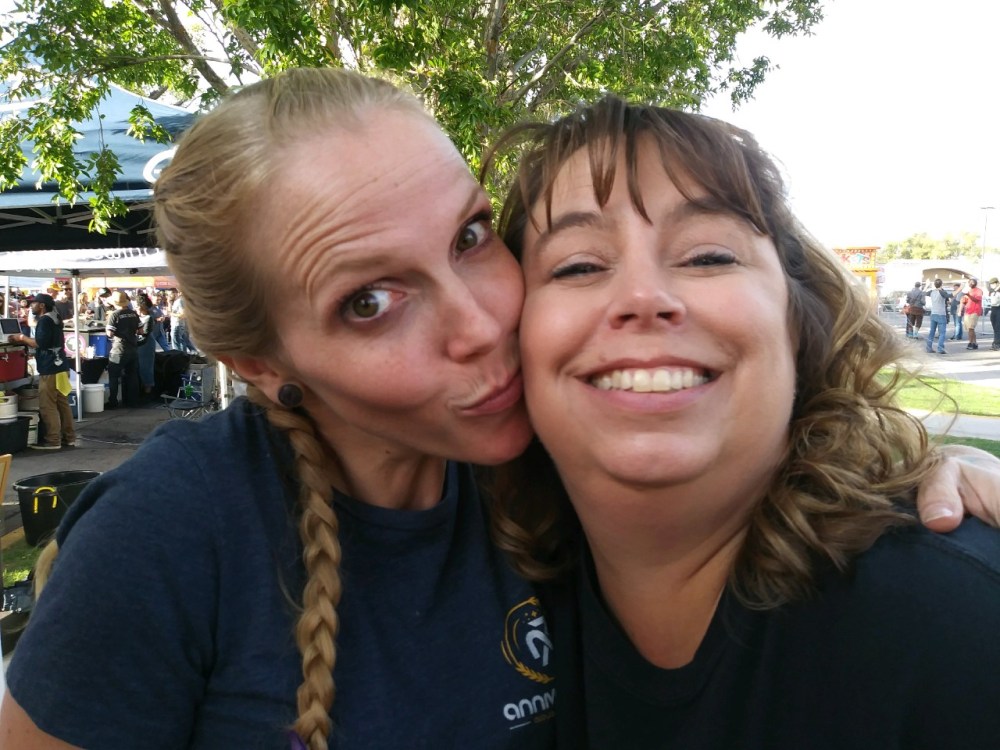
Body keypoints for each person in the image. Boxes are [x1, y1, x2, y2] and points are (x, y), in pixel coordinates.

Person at [2, 70, 999, 750]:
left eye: (472, 236)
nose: (483, 323)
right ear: (261, 364)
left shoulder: (545, 480)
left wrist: (910, 474)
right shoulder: (174, 532)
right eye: (369, 302)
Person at [487, 96, 1000, 749]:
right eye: (578, 265)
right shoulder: (480, 589)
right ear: (513, 339)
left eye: (708, 257)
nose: (643, 297)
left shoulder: (955, 624)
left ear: (799, 322)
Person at [8, 293, 76, 450]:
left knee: (47, 405)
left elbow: (39, 343)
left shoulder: (45, 320)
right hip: (61, 366)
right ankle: (69, 437)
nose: (31, 306)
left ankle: (53, 440)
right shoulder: (56, 317)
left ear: (42, 305)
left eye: (34, 303)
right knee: (62, 403)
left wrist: (21, 338)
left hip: (50, 367)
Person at [105, 290, 141, 408]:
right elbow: (141, 331)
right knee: (132, 375)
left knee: (114, 376)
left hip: (119, 349)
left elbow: (110, 333)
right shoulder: (133, 313)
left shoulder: (114, 314)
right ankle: (133, 401)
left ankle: (113, 402)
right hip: (133, 348)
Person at [135, 293, 156, 395]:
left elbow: (145, 334)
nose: (135, 308)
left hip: (146, 344)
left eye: (137, 306)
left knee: (146, 367)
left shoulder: (149, 318)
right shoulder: (138, 317)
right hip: (140, 343)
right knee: (140, 367)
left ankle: (148, 389)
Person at [924, 278, 949, 354]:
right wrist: (960, 288)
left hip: (933, 313)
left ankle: (929, 348)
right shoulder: (942, 292)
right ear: (941, 284)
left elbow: (923, 293)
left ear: (934, 285)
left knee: (932, 332)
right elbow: (950, 296)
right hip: (941, 314)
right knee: (942, 333)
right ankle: (940, 348)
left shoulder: (931, 292)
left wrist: (926, 285)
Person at [170, 288, 196, 354]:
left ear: (175, 293)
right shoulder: (179, 301)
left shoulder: (179, 301)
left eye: (170, 294)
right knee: (183, 341)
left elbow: (183, 314)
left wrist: (171, 314)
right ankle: (188, 354)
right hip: (181, 324)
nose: (169, 296)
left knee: (177, 343)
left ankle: (180, 356)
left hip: (178, 324)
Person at [963, 277, 984, 350]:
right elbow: (965, 301)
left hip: (975, 311)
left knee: (971, 328)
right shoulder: (969, 290)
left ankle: (970, 343)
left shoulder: (978, 291)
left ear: (975, 283)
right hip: (968, 311)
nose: (971, 283)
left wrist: (968, 295)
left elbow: (976, 300)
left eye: (972, 282)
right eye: (970, 282)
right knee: (970, 329)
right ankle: (975, 343)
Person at [988, 276, 1000, 351]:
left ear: (997, 283)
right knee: (995, 327)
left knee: (998, 327)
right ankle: (996, 342)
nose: (991, 285)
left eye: (993, 284)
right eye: (991, 284)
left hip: (999, 308)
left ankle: (997, 343)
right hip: (993, 308)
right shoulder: (992, 291)